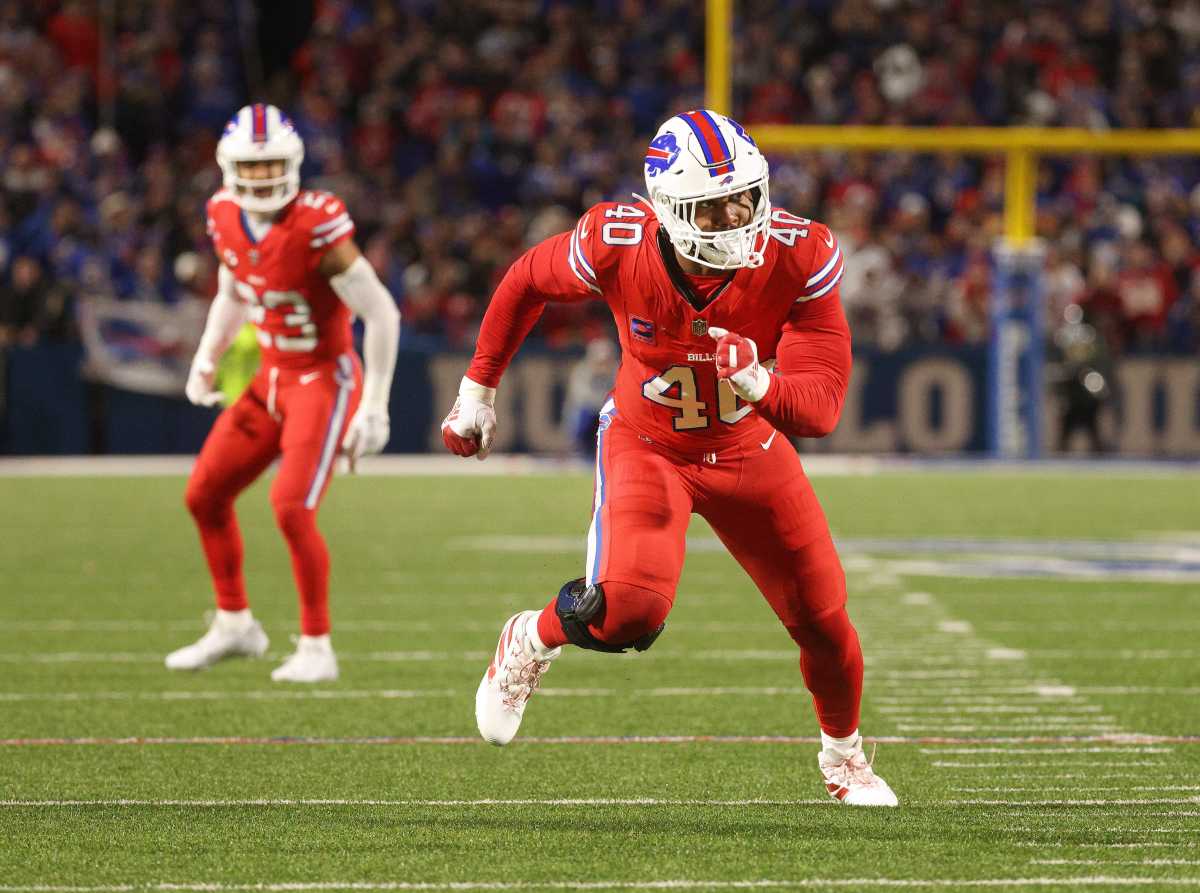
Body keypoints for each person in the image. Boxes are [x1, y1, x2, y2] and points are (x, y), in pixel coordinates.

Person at [441, 109, 897, 806]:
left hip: (748, 445)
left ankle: (844, 756)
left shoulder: (801, 253)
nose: (738, 216)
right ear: (671, 211)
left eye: (745, 196)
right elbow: (526, 279)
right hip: (648, 441)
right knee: (628, 613)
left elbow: (824, 404)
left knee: (825, 619)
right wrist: (478, 388)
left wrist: (761, 383)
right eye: (713, 208)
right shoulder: (615, 241)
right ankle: (532, 637)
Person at [166, 104, 400, 683]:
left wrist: (374, 406)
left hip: (322, 378)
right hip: (270, 378)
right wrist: (207, 356)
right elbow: (233, 291)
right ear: (228, 167)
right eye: (254, 165)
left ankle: (318, 647)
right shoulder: (222, 213)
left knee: (291, 508)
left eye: (274, 165)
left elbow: (381, 313)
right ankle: (235, 623)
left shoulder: (316, 221)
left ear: (293, 164)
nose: (265, 178)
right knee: (204, 495)